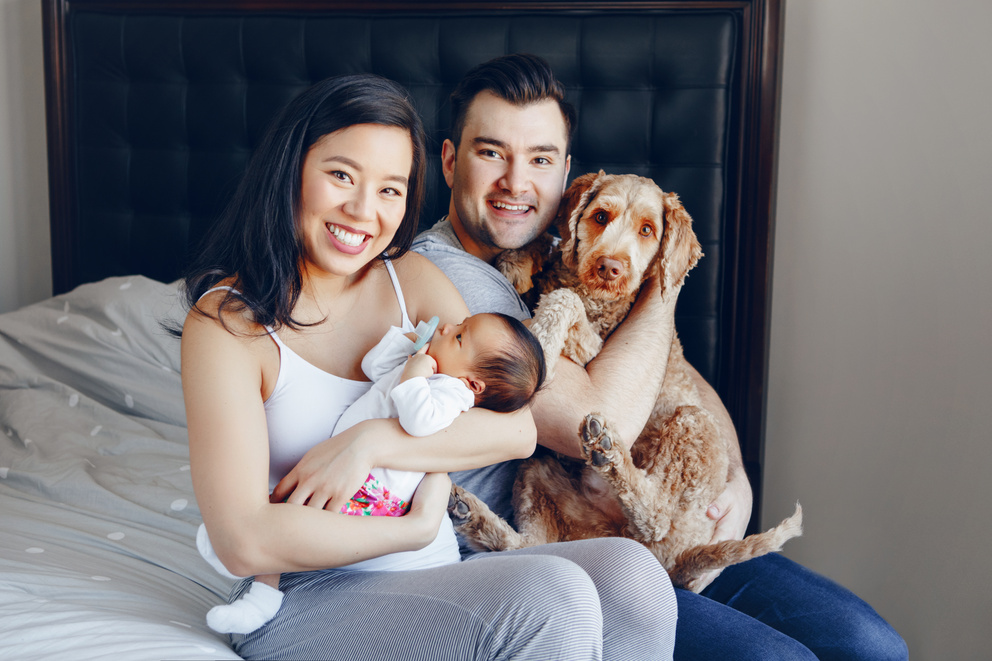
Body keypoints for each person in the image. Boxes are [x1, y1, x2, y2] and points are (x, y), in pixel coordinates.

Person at [410, 53, 909, 661]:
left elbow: (675, 374)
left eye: (539, 159)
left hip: (646, 526)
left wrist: (736, 477)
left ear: (566, 175)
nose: (517, 183)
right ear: (447, 160)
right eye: (491, 153)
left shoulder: (564, 251)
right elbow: (601, 426)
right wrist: (663, 276)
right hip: (548, 545)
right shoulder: (449, 279)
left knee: (872, 646)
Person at [180, 73, 678, 661]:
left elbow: (516, 427)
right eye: (341, 175)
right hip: (299, 589)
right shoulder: (228, 325)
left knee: (631, 574)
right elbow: (241, 542)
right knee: (551, 594)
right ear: (292, 170)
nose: (363, 211)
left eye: (391, 190)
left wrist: (369, 444)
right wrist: (410, 530)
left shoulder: (408, 279)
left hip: (426, 566)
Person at [198, 311, 547, 635]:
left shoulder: (451, 393)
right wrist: (407, 345)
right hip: (358, 478)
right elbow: (373, 365)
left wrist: (415, 373)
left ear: (473, 385)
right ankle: (258, 584)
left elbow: (418, 420)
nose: (446, 328)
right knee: (284, 511)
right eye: (459, 324)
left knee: (296, 517)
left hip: (376, 491)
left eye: (459, 337)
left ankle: (260, 589)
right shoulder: (430, 370)